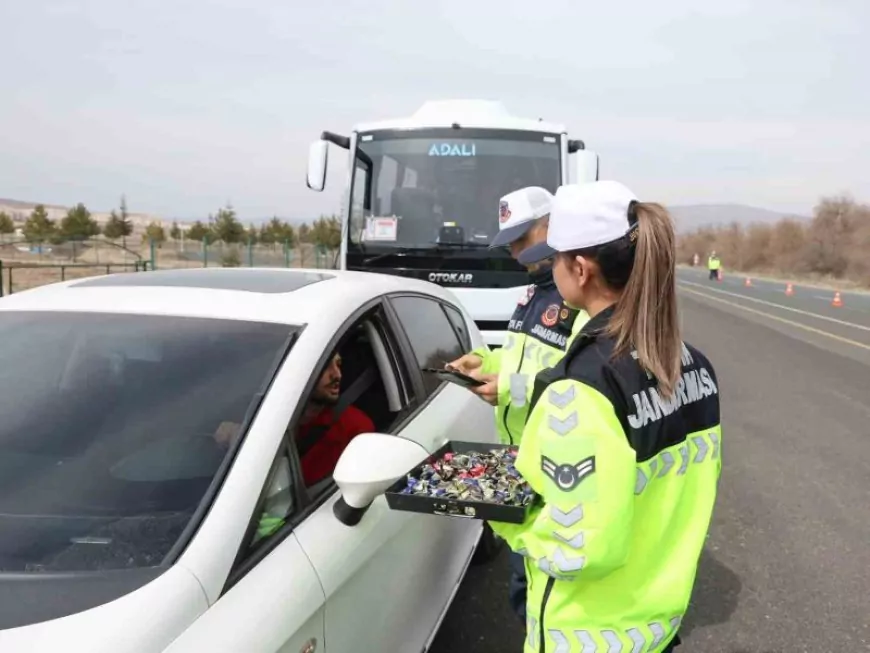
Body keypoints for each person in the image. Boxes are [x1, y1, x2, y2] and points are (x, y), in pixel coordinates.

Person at [489, 180, 722, 653]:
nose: (548, 267)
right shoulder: (693, 363)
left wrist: (501, 515)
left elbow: (576, 548)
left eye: (554, 258)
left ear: (579, 268)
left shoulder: (581, 387)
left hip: (588, 633)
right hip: (655, 625)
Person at [447, 185, 590, 624]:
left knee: (548, 600)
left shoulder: (580, 303)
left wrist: (508, 388)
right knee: (523, 592)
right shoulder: (530, 295)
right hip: (520, 461)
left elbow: (584, 388)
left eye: (521, 239)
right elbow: (521, 360)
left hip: (558, 470)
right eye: (508, 240)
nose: (512, 250)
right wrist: (484, 362)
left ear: (552, 228)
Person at [215, 351, 374, 535]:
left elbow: (365, 494)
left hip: (314, 530)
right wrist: (236, 440)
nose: (337, 374)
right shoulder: (257, 420)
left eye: (338, 365)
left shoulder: (355, 427)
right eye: (325, 367)